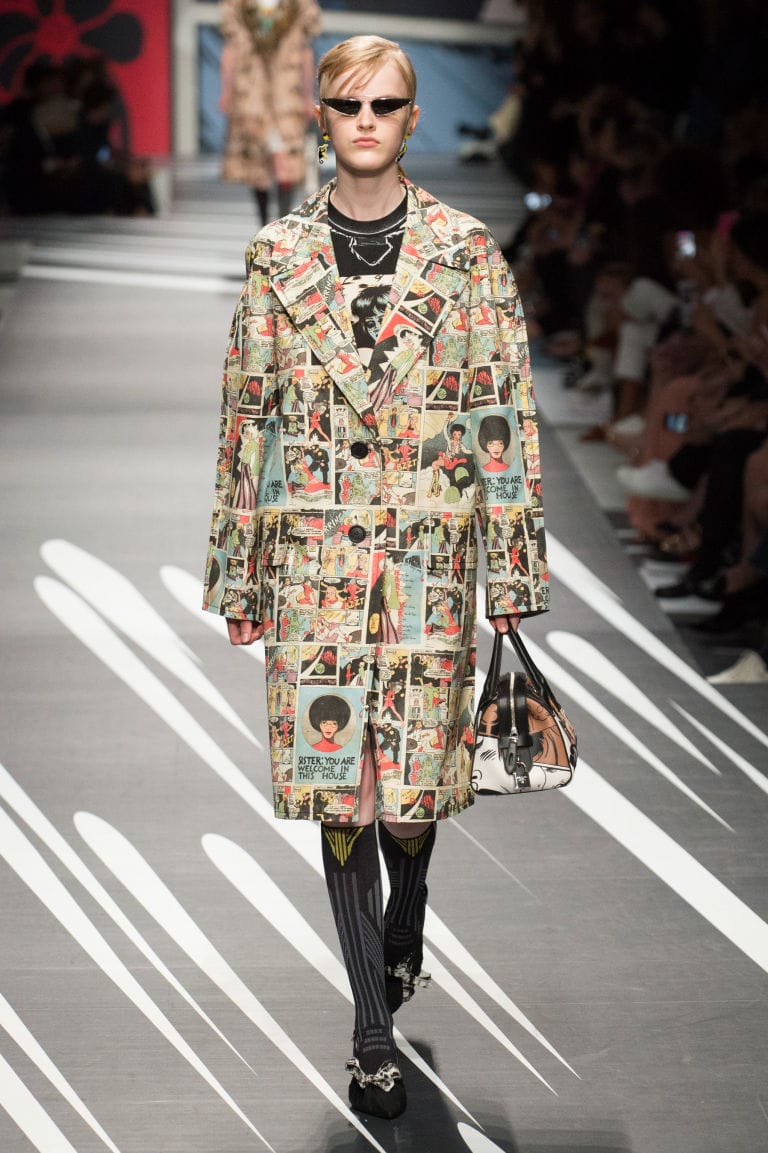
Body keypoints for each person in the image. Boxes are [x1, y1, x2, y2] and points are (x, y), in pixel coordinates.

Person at [203, 34, 550, 1120]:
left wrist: (512, 568)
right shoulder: (276, 256)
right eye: (347, 104)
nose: (365, 120)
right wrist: (239, 573)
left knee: (408, 801)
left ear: (411, 117)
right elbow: (249, 414)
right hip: (312, 558)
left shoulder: (467, 251)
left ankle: (409, 910)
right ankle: (370, 1033)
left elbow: (501, 411)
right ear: (321, 116)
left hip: (428, 561)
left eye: (384, 104)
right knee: (341, 787)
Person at [219, 0, 321, 225]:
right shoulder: (239, 6)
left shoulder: (299, 7)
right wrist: (227, 92)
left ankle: (280, 221)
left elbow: (305, 52)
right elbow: (231, 50)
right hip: (252, 94)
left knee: (286, 159)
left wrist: (307, 96)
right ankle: (265, 223)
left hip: (286, 95)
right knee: (258, 162)